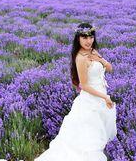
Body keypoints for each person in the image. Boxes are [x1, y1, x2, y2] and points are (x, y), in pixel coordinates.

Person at [34, 22, 117, 161]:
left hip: (100, 97)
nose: (88, 41)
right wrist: (104, 97)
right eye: (84, 38)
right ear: (78, 39)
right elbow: (83, 85)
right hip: (91, 100)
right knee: (88, 138)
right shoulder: (80, 58)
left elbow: (110, 68)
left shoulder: (92, 52)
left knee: (98, 133)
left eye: (91, 37)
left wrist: (100, 59)